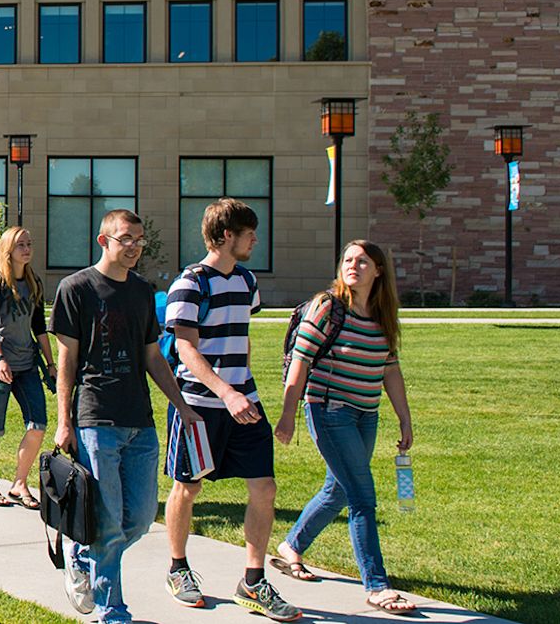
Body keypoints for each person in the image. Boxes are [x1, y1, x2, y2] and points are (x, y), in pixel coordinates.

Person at [51, 209, 203, 624]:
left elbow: (153, 357)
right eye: (125, 239)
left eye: (139, 240)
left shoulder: (142, 292)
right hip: (95, 418)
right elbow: (67, 360)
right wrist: (64, 420)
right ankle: (111, 611)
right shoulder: (76, 288)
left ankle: (81, 553)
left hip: (140, 420)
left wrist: (182, 405)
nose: (134, 246)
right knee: (110, 524)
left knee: (137, 520)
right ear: (104, 241)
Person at [160, 198, 298, 621]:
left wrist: (244, 388)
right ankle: (178, 570)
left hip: (244, 401)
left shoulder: (246, 281)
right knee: (189, 488)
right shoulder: (190, 283)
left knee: (265, 488)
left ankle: (253, 582)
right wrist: (226, 393)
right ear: (225, 237)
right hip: (199, 407)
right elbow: (185, 348)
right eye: (248, 233)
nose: (255, 239)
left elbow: (243, 335)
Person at [274, 240, 418, 616]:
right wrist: (288, 414)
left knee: (337, 489)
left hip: (365, 414)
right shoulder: (328, 307)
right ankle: (377, 585)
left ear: (378, 270)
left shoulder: (383, 314)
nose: (353, 266)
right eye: (348, 260)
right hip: (329, 410)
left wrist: (404, 417)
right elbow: (300, 363)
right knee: (362, 497)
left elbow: (390, 368)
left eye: (362, 261)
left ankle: (291, 546)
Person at [0, 227, 51, 507]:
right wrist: (0, 359)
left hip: (26, 365)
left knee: (38, 424)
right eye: (21, 245)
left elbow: (39, 327)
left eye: (29, 244)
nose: (27, 249)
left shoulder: (33, 283)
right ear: (8, 249)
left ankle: (20, 483)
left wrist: (51, 363)